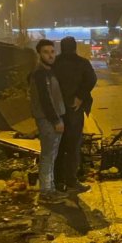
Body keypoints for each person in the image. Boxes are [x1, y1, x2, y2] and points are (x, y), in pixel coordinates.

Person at [53, 36, 97, 193]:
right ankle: (71, 180)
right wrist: (80, 97)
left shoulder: (53, 63)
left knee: (58, 146)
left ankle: (58, 181)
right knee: (73, 146)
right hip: (74, 110)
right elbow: (91, 79)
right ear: (75, 47)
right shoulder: (82, 63)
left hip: (57, 111)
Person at [30, 39, 67, 203]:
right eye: (46, 52)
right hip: (48, 121)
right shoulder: (40, 74)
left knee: (51, 155)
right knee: (48, 156)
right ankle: (46, 192)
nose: (50, 55)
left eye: (52, 52)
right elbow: (45, 100)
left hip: (51, 119)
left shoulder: (49, 71)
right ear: (39, 54)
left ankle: (50, 189)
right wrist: (56, 120)